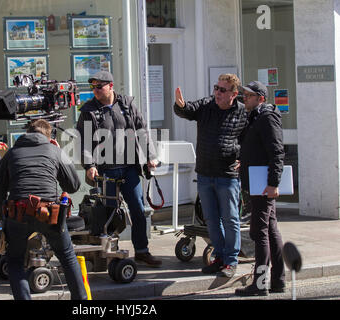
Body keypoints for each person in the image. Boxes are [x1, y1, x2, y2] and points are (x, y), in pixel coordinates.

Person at [0, 119, 87, 300]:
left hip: (17, 214)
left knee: (15, 260)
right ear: (49, 136)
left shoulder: (12, 153)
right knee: (67, 256)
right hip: (49, 214)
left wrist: (3, 221)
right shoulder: (54, 151)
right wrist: (60, 153)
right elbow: (74, 185)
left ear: (27, 133)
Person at [76, 71, 161, 268]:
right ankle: (107, 253)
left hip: (129, 169)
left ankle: (141, 251)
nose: (95, 90)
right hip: (105, 171)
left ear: (111, 86)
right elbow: (83, 142)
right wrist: (89, 165)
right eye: (93, 87)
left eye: (99, 86)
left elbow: (142, 130)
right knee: (108, 214)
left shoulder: (127, 104)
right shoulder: (88, 110)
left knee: (138, 211)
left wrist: (150, 157)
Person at [173, 74, 248, 278]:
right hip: (205, 173)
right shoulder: (207, 105)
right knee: (212, 220)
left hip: (228, 174)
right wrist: (180, 105)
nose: (217, 93)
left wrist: (244, 157)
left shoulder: (242, 112)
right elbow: (188, 110)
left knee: (230, 219)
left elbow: (249, 139)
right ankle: (220, 258)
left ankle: (231, 261)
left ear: (233, 94)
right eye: (216, 88)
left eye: (222, 90)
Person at [235, 81, 286, 296]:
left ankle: (260, 283)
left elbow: (276, 152)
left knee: (259, 232)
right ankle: (278, 281)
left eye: (248, 95)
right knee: (271, 231)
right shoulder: (255, 116)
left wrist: (273, 183)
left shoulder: (267, 117)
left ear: (260, 98)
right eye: (244, 94)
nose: (244, 98)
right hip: (257, 182)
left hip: (263, 185)